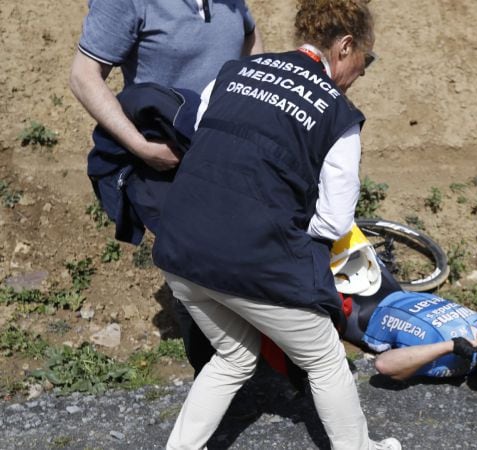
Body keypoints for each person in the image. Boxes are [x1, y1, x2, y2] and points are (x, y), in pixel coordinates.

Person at [151, 1, 399, 448]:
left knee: (234, 355)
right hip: (249, 256)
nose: (364, 70)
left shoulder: (232, 71)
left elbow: (203, 141)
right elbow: (334, 220)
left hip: (178, 248)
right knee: (324, 358)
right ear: (345, 47)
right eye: (368, 58)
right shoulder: (338, 113)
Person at [69, 0, 263, 375]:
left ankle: (243, 368)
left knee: (238, 260)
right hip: (169, 161)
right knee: (196, 271)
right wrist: (141, 147)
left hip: (229, 155)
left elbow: (250, 36)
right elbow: (83, 75)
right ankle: (214, 375)